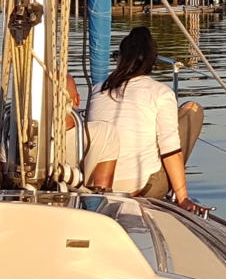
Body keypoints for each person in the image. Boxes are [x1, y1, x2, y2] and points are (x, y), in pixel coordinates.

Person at [84, 27, 207, 212]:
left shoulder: (97, 90)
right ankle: (176, 192)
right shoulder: (160, 92)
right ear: (152, 61)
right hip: (140, 187)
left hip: (95, 183)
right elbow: (170, 149)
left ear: (120, 58)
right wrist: (183, 198)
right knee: (192, 110)